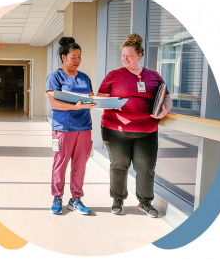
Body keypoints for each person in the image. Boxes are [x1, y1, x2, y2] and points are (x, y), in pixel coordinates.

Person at [97, 33, 172, 217]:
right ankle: (118, 200)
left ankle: (145, 202)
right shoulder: (114, 76)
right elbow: (101, 99)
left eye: (129, 55)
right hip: (116, 130)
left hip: (147, 131)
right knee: (119, 165)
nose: (125, 59)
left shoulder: (154, 76)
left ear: (139, 55)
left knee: (145, 167)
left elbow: (166, 97)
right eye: (123, 55)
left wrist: (165, 111)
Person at [46, 36, 96, 215]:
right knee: (60, 163)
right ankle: (57, 196)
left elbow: (90, 98)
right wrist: (76, 106)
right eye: (73, 57)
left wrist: (93, 102)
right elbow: (55, 104)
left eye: (79, 57)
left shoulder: (84, 78)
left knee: (80, 164)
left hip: (84, 127)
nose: (77, 61)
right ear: (64, 57)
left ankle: (75, 199)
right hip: (63, 128)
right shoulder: (55, 76)